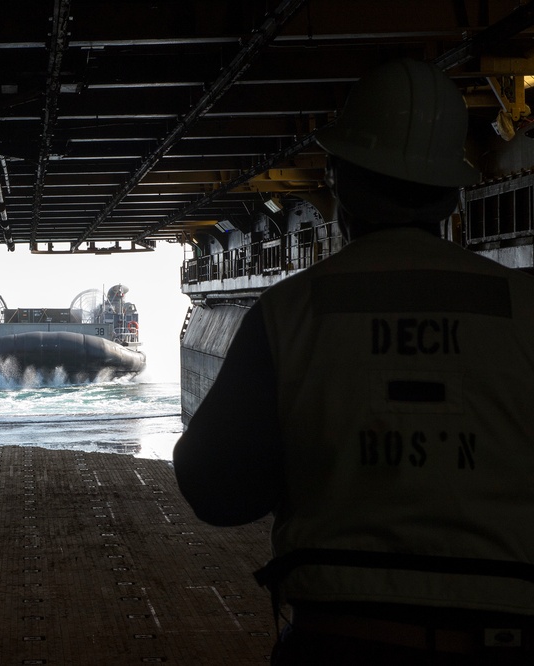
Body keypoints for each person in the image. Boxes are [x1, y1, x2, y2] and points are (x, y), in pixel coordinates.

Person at [172, 58, 534, 664]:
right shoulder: (523, 309)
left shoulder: (289, 314)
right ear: (451, 193)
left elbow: (214, 490)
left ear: (339, 182)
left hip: (343, 642)